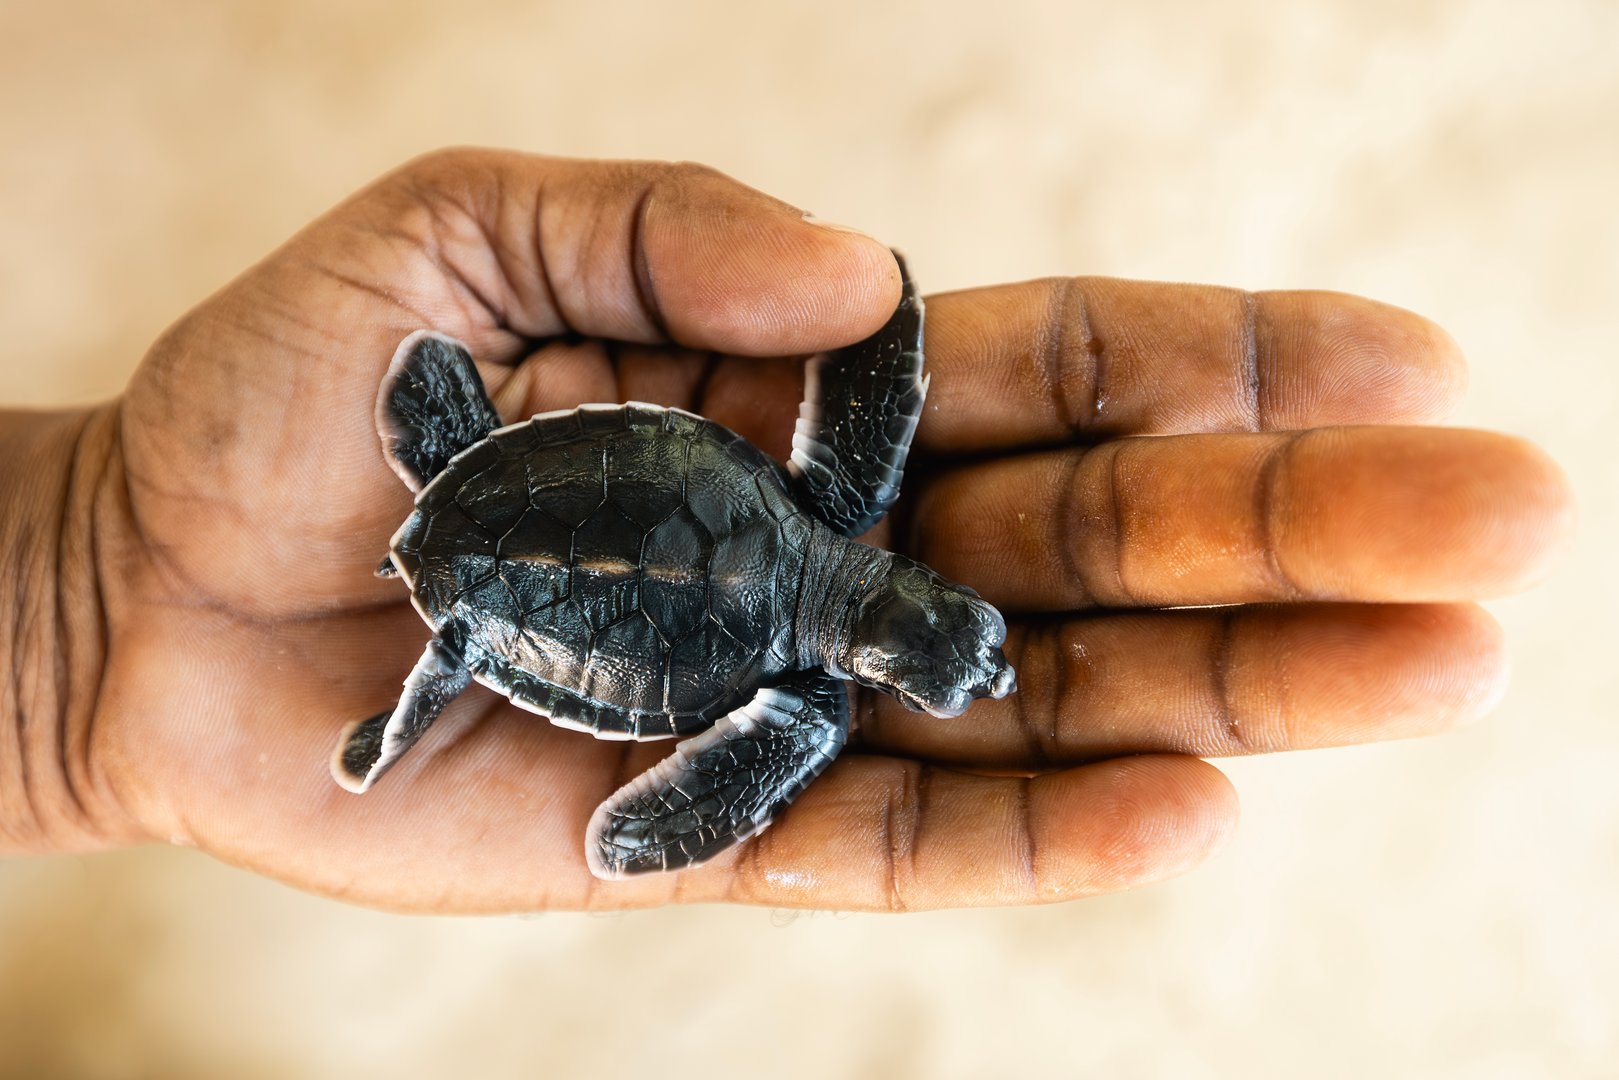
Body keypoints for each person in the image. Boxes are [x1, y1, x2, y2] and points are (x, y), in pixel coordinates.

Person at [0, 150, 1572, 912]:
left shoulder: (826, 496)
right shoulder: (798, 709)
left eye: (952, 660)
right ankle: (433, 657)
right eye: (958, 653)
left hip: (538, 524)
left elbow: (871, 337)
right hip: (502, 587)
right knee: (480, 614)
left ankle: (441, 626)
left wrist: (75, 596)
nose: (966, 665)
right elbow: (643, 822)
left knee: (831, 323)